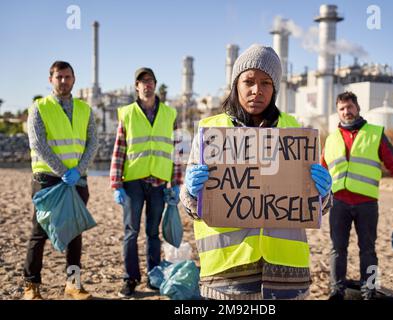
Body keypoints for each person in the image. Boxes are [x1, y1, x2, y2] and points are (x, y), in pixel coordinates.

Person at [179, 44, 333, 300]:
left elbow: (315, 206)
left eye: (266, 83)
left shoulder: (294, 132)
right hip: (227, 275)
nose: (256, 90)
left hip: (286, 276)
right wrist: (191, 192)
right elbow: (191, 208)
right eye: (248, 81)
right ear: (235, 84)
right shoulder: (211, 133)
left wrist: (324, 194)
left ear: (275, 89)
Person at [322, 91, 393, 300]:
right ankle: (336, 291)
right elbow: (320, 174)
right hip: (339, 204)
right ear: (337, 112)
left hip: (367, 204)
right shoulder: (330, 139)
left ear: (357, 108)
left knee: (368, 251)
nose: (346, 111)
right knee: (337, 250)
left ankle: (369, 290)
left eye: (350, 107)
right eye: (342, 108)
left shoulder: (375, 134)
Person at [23, 61, 98, 300]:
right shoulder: (39, 107)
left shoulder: (85, 109)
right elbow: (38, 144)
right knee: (39, 233)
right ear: (50, 80)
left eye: (67, 77)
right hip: (47, 181)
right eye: (59, 77)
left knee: (75, 234)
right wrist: (63, 170)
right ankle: (31, 286)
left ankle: (73, 284)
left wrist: (79, 170)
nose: (63, 81)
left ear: (74, 79)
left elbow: (92, 143)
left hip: (76, 181)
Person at [110, 67, 182, 298]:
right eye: (142, 82)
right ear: (136, 86)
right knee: (131, 232)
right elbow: (119, 148)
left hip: (159, 183)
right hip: (133, 182)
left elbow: (177, 150)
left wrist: (176, 182)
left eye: (150, 81)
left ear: (155, 84)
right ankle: (129, 278)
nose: (147, 85)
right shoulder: (127, 113)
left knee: (153, 233)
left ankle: (153, 277)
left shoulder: (170, 114)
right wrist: (115, 183)